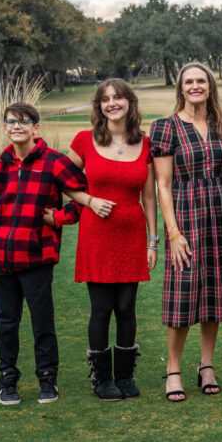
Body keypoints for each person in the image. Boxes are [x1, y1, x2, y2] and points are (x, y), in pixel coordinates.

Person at [0, 102, 101, 405]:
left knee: (41, 321)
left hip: (36, 257)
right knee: (6, 321)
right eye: (10, 121)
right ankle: (7, 379)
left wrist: (58, 219)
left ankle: (47, 379)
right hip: (0, 257)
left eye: (24, 121)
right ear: (5, 127)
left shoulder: (55, 162)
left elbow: (81, 197)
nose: (16, 126)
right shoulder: (2, 164)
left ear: (36, 127)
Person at [150, 62, 222, 402]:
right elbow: (163, 185)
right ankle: (173, 369)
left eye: (201, 80)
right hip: (185, 217)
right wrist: (173, 233)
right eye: (189, 81)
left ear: (210, 86)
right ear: (181, 88)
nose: (196, 86)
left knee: (213, 293)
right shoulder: (166, 127)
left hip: (220, 217)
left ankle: (206, 365)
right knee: (183, 294)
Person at [69, 79, 158, 401]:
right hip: (97, 233)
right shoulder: (84, 140)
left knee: (126, 307)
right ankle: (102, 378)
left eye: (118, 98)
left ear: (130, 103)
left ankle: (125, 376)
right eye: (106, 99)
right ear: (99, 106)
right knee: (101, 308)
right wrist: (89, 200)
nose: (112, 104)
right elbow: (63, 181)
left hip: (131, 234)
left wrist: (152, 241)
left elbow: (149, 197)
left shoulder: (145, 144)